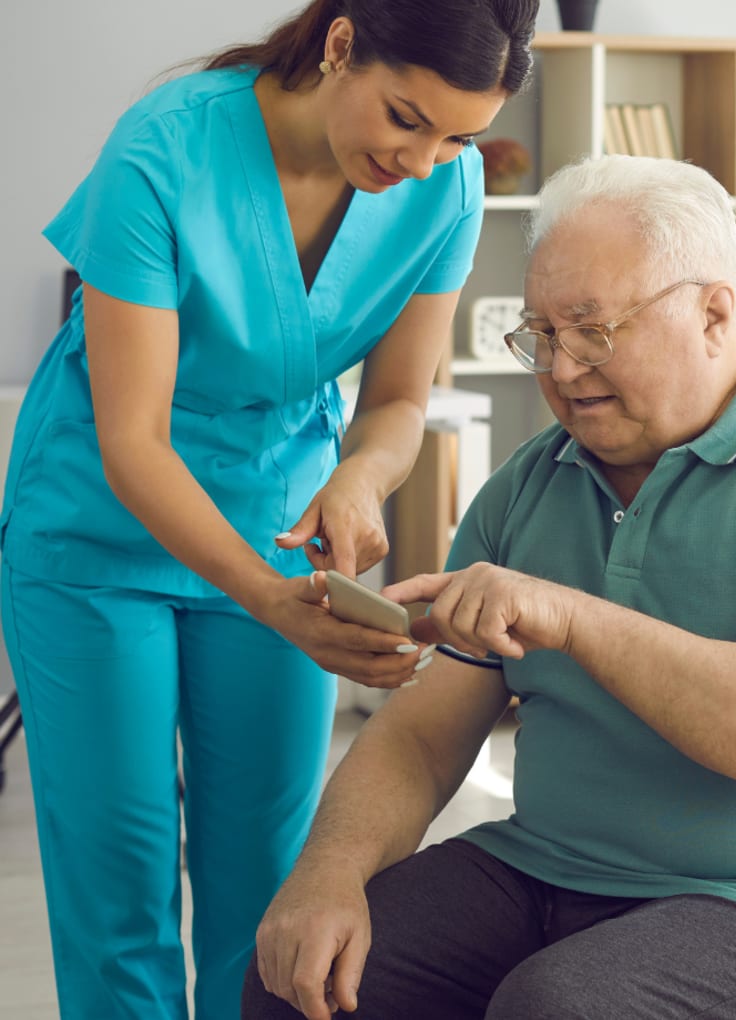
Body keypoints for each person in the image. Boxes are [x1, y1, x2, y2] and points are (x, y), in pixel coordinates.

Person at [240, 153, 736, 1020]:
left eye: (593, 330)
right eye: (542, 334)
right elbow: (421, 739)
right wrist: (329, 873)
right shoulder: (527, 486)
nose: (563, 370)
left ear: (714, 313)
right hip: (545, 865)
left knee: (563, 1008)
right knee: (302, 978)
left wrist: (572, 619)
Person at [0, 1, 539, 1016]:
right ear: (340, 45)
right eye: (405, 117)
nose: (425, 161)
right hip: (97, 531)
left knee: (271, 881)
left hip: (279, 526)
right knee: (118, 886)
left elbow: (396, 403)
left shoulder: (447, 189)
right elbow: (133, 440)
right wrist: (263, 593)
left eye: (459, 135)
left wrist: (360, 478)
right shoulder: (163, 148)